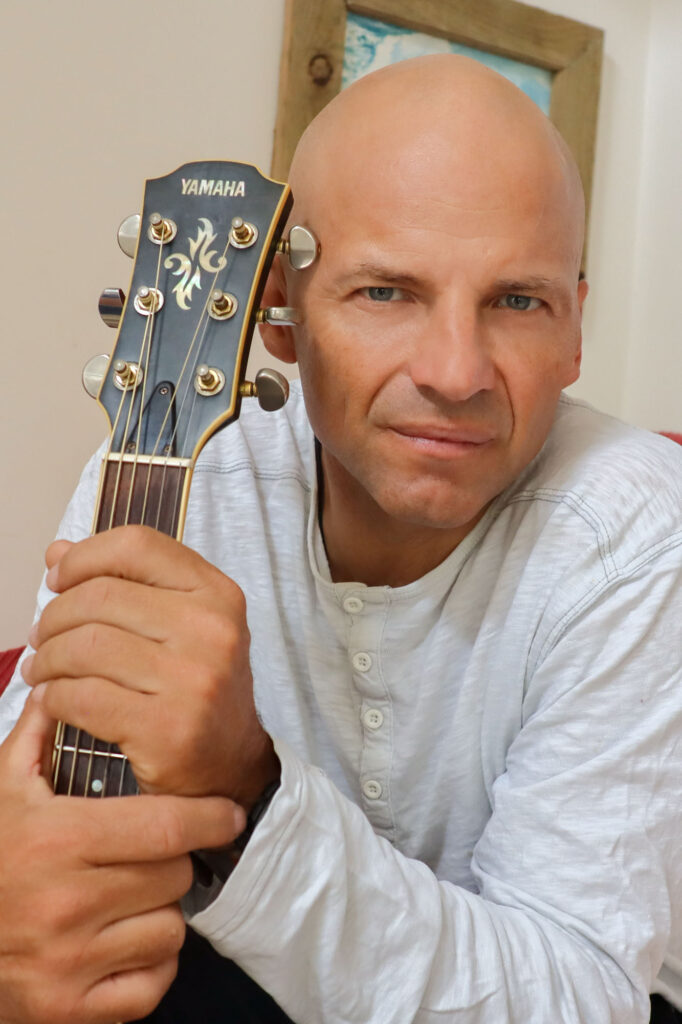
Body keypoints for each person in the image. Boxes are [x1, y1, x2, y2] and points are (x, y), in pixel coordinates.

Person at [0, 53, 680, 1024]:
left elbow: (577, 998)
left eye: (516, 300)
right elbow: (33, 805)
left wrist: (248, 784)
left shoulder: (639, 531)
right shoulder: (170, 455)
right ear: (278, 312)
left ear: (575, 329)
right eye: (386, 292)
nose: (455, 370)